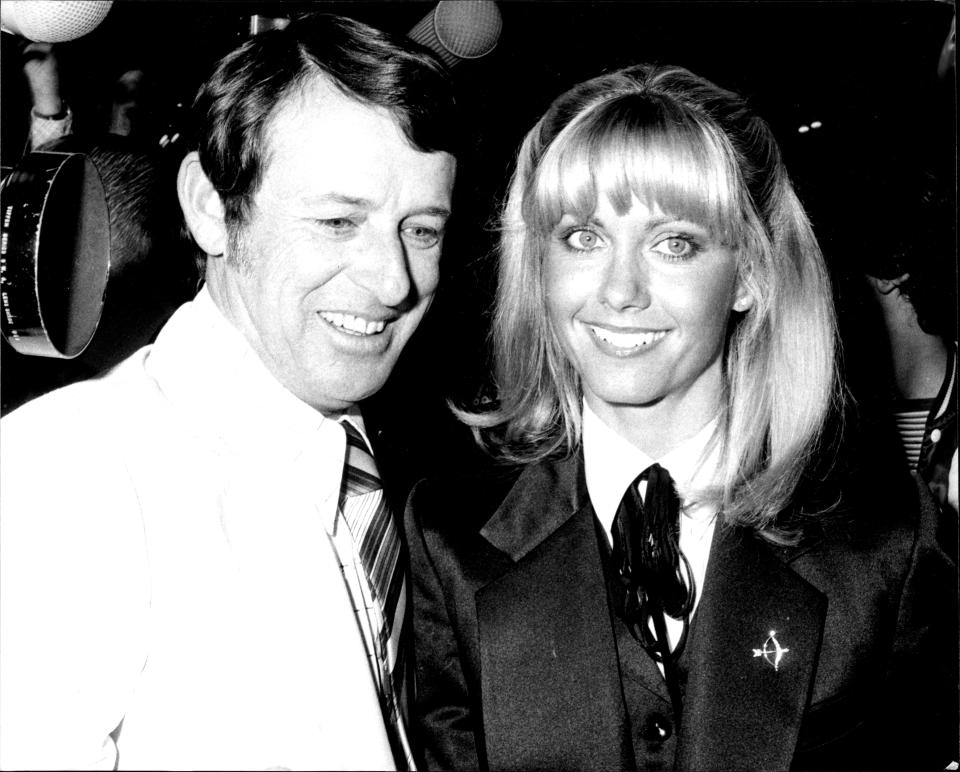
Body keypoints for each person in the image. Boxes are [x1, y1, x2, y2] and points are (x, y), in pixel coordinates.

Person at [405, 64, 957, 770]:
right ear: (535, 266)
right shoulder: (447, 537)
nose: (621, 290)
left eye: (675, 243)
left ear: (751, 275)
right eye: (582, 237)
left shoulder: (887, 544)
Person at [0, 13, 457, 770]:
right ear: (212, 208)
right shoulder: (61, 475)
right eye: (339, 221)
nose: (392, 280)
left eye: (421, 231)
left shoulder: (397, 478)